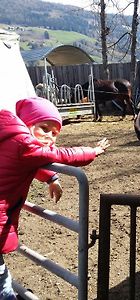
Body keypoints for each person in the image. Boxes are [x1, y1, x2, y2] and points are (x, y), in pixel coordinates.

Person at [0, 97, 110, 299]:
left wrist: (51, 177)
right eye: (44, 128)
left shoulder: (9, 139)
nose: (50, 136)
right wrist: (92, 151)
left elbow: (28, 165)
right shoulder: (24, 144)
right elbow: (62, 155)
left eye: (55, 133)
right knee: (2, 286)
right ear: (27, 124)